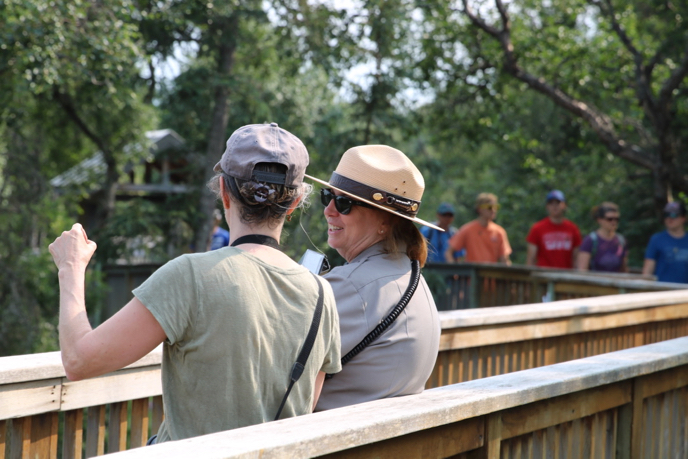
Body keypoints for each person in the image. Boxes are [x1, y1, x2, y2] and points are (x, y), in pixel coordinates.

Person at [49, 123, 341, 443]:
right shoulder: (321, 293)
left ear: (224, 192)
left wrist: (71, 267)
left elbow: (78, 361)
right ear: (295, 202)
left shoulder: (190, 276)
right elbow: (305, 403)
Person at [305, 145, 441, 411]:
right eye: (327, 196)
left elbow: (279, 370)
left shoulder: (351, 285)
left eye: (344, 203)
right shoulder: (411, 274)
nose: (329, 210)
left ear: (385, 221)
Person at [445, 193, 512, 264]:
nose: (493, 210)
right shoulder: (468, 229)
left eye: (496, 207)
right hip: (472, 274)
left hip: (491, 274)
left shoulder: (499, 232)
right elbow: (448, 252)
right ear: (480, 209)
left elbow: (504, 259)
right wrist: (455, 271)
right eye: (489, 207)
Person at [526, 189, 582, 268]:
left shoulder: (572, 228)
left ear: (564, 205)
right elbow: (531, 258)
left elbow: (576, 257)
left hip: (566, 276)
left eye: (558, 203)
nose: (554, 206)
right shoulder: (537, 228)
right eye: (551, 203)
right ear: (547, 206)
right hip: (543, 276)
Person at [642, 201, 688, 283]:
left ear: (683, 218)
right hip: (662, 293)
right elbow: (647, 271)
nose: (669, 218)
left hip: (685, 293)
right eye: (666, 215)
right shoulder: (656, 239)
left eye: (674, 215)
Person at [576, 202, 628, 272]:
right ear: (599, 220)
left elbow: (624, 269)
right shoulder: (590, 240)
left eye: (616, 219)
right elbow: (582, 270)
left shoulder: (621, 240)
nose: (613, 222)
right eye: (609, 219)